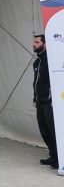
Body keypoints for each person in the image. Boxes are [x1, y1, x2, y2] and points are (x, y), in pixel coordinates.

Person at [32, 34, 58, 169]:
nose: (34, 44)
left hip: (49, 102)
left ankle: (60, 159)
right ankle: (53, 155)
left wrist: (53, 98)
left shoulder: (51, 60)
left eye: (37, 42)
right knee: (44, 131)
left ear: (45, 44)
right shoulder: (37, 62)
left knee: (53, 130)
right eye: (34, 42)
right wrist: (34, 97)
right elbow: (35, 82)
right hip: (39, 102)